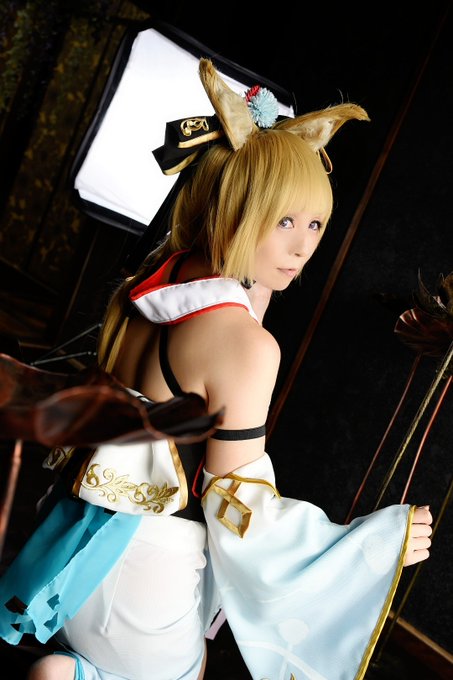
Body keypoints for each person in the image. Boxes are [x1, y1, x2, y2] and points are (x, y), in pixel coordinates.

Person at [0, 58, 432, 680]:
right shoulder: (247, 348)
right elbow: (239, 511)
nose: (303, 247)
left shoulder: (152, 287)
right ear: (237, 209)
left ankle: (75, 671)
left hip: (70, 542)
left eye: (315, 223)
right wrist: (370, 547)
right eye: (284, 221)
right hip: (148, 572)